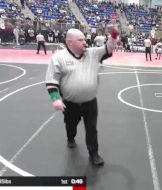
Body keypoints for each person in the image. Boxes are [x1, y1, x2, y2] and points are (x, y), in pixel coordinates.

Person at [45, 27, 118, 166]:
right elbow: (51, 80)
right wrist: (55, 99)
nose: (85, 42)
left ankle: (94, 154)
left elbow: (109, 47)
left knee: (92, 129)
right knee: (71, 125)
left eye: (84, 39)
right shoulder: (58, 58)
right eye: (80, 40)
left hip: (90, 102)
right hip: (70, 103)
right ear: (70, 42)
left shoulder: (93, 53)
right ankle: (70, 137)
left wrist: (114, 34)